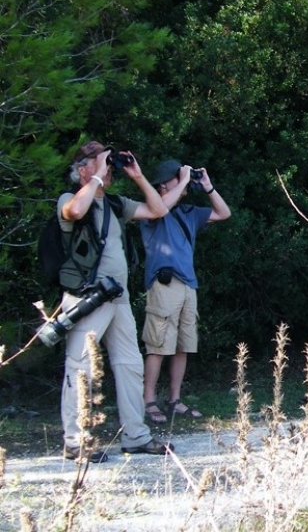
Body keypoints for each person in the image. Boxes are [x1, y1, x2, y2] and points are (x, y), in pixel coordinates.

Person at [58, 140, 173, 461]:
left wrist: (137, 176)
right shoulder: (70, 199)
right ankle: (75, 441)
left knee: (130, 366)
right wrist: (95, 175)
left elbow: (158, 209)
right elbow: (75, 211)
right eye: (101, 162)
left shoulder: (114, 203)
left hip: (117, 299)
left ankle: (135, 435)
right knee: (80, 368)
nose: (108, 169)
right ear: (82, 170)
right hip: (88, 298)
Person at [140, 159, 231, 423]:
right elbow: (160, 209)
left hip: (188, 285)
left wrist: (208, 186)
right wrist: (181, 181)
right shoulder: (152, 209)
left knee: (183, 345)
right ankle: (148, 401)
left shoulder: (189, 211)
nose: (169, 185)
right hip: (163, 285)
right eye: (171, 180)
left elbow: (224, 213)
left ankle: (174, 400)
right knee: (157, 346)